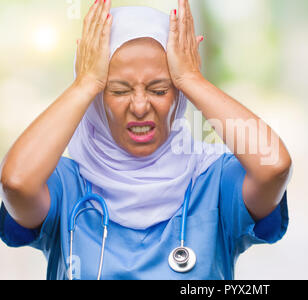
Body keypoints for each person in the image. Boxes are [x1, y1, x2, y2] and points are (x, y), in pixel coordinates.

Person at [0, 0, 292, 280]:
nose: (140, 106)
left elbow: (275, 166)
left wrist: (192, 79)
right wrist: (84, 82)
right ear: (96, 102)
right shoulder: (65, 185)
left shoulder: (212, 181)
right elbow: (15, 182)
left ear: (179, 97)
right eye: (118, 90)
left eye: (159, 89)